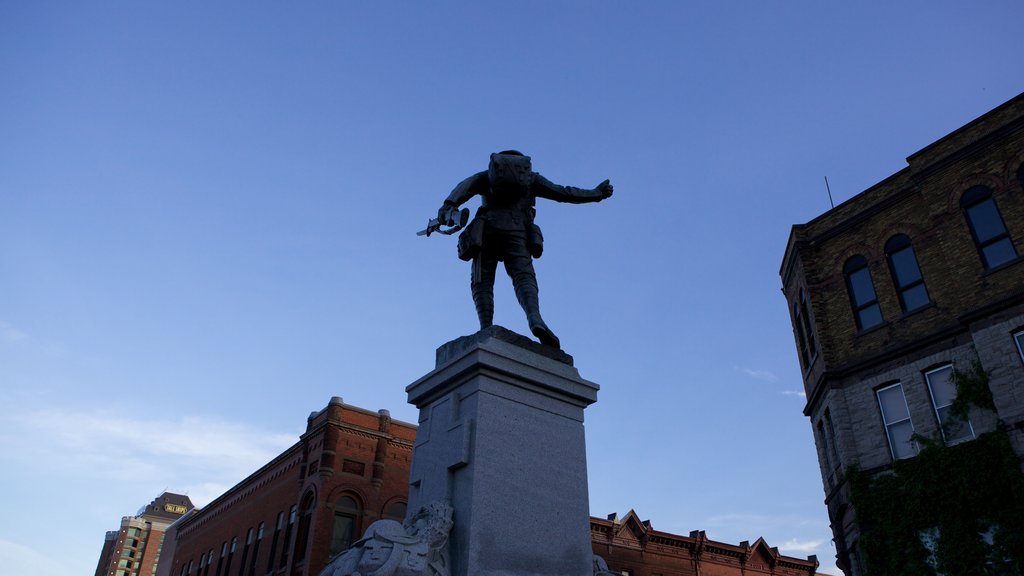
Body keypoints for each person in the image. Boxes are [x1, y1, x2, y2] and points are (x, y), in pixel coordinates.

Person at [436, 150, 612, 349]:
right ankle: (535, 318)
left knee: (482, 280)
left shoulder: (486, 177)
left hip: (487, 229)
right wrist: (596, 194)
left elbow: (462, 189)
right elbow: (563, 193)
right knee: (524, 277)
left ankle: (486, 326)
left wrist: (448, 206)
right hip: (518, 230)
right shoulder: (531, 179)